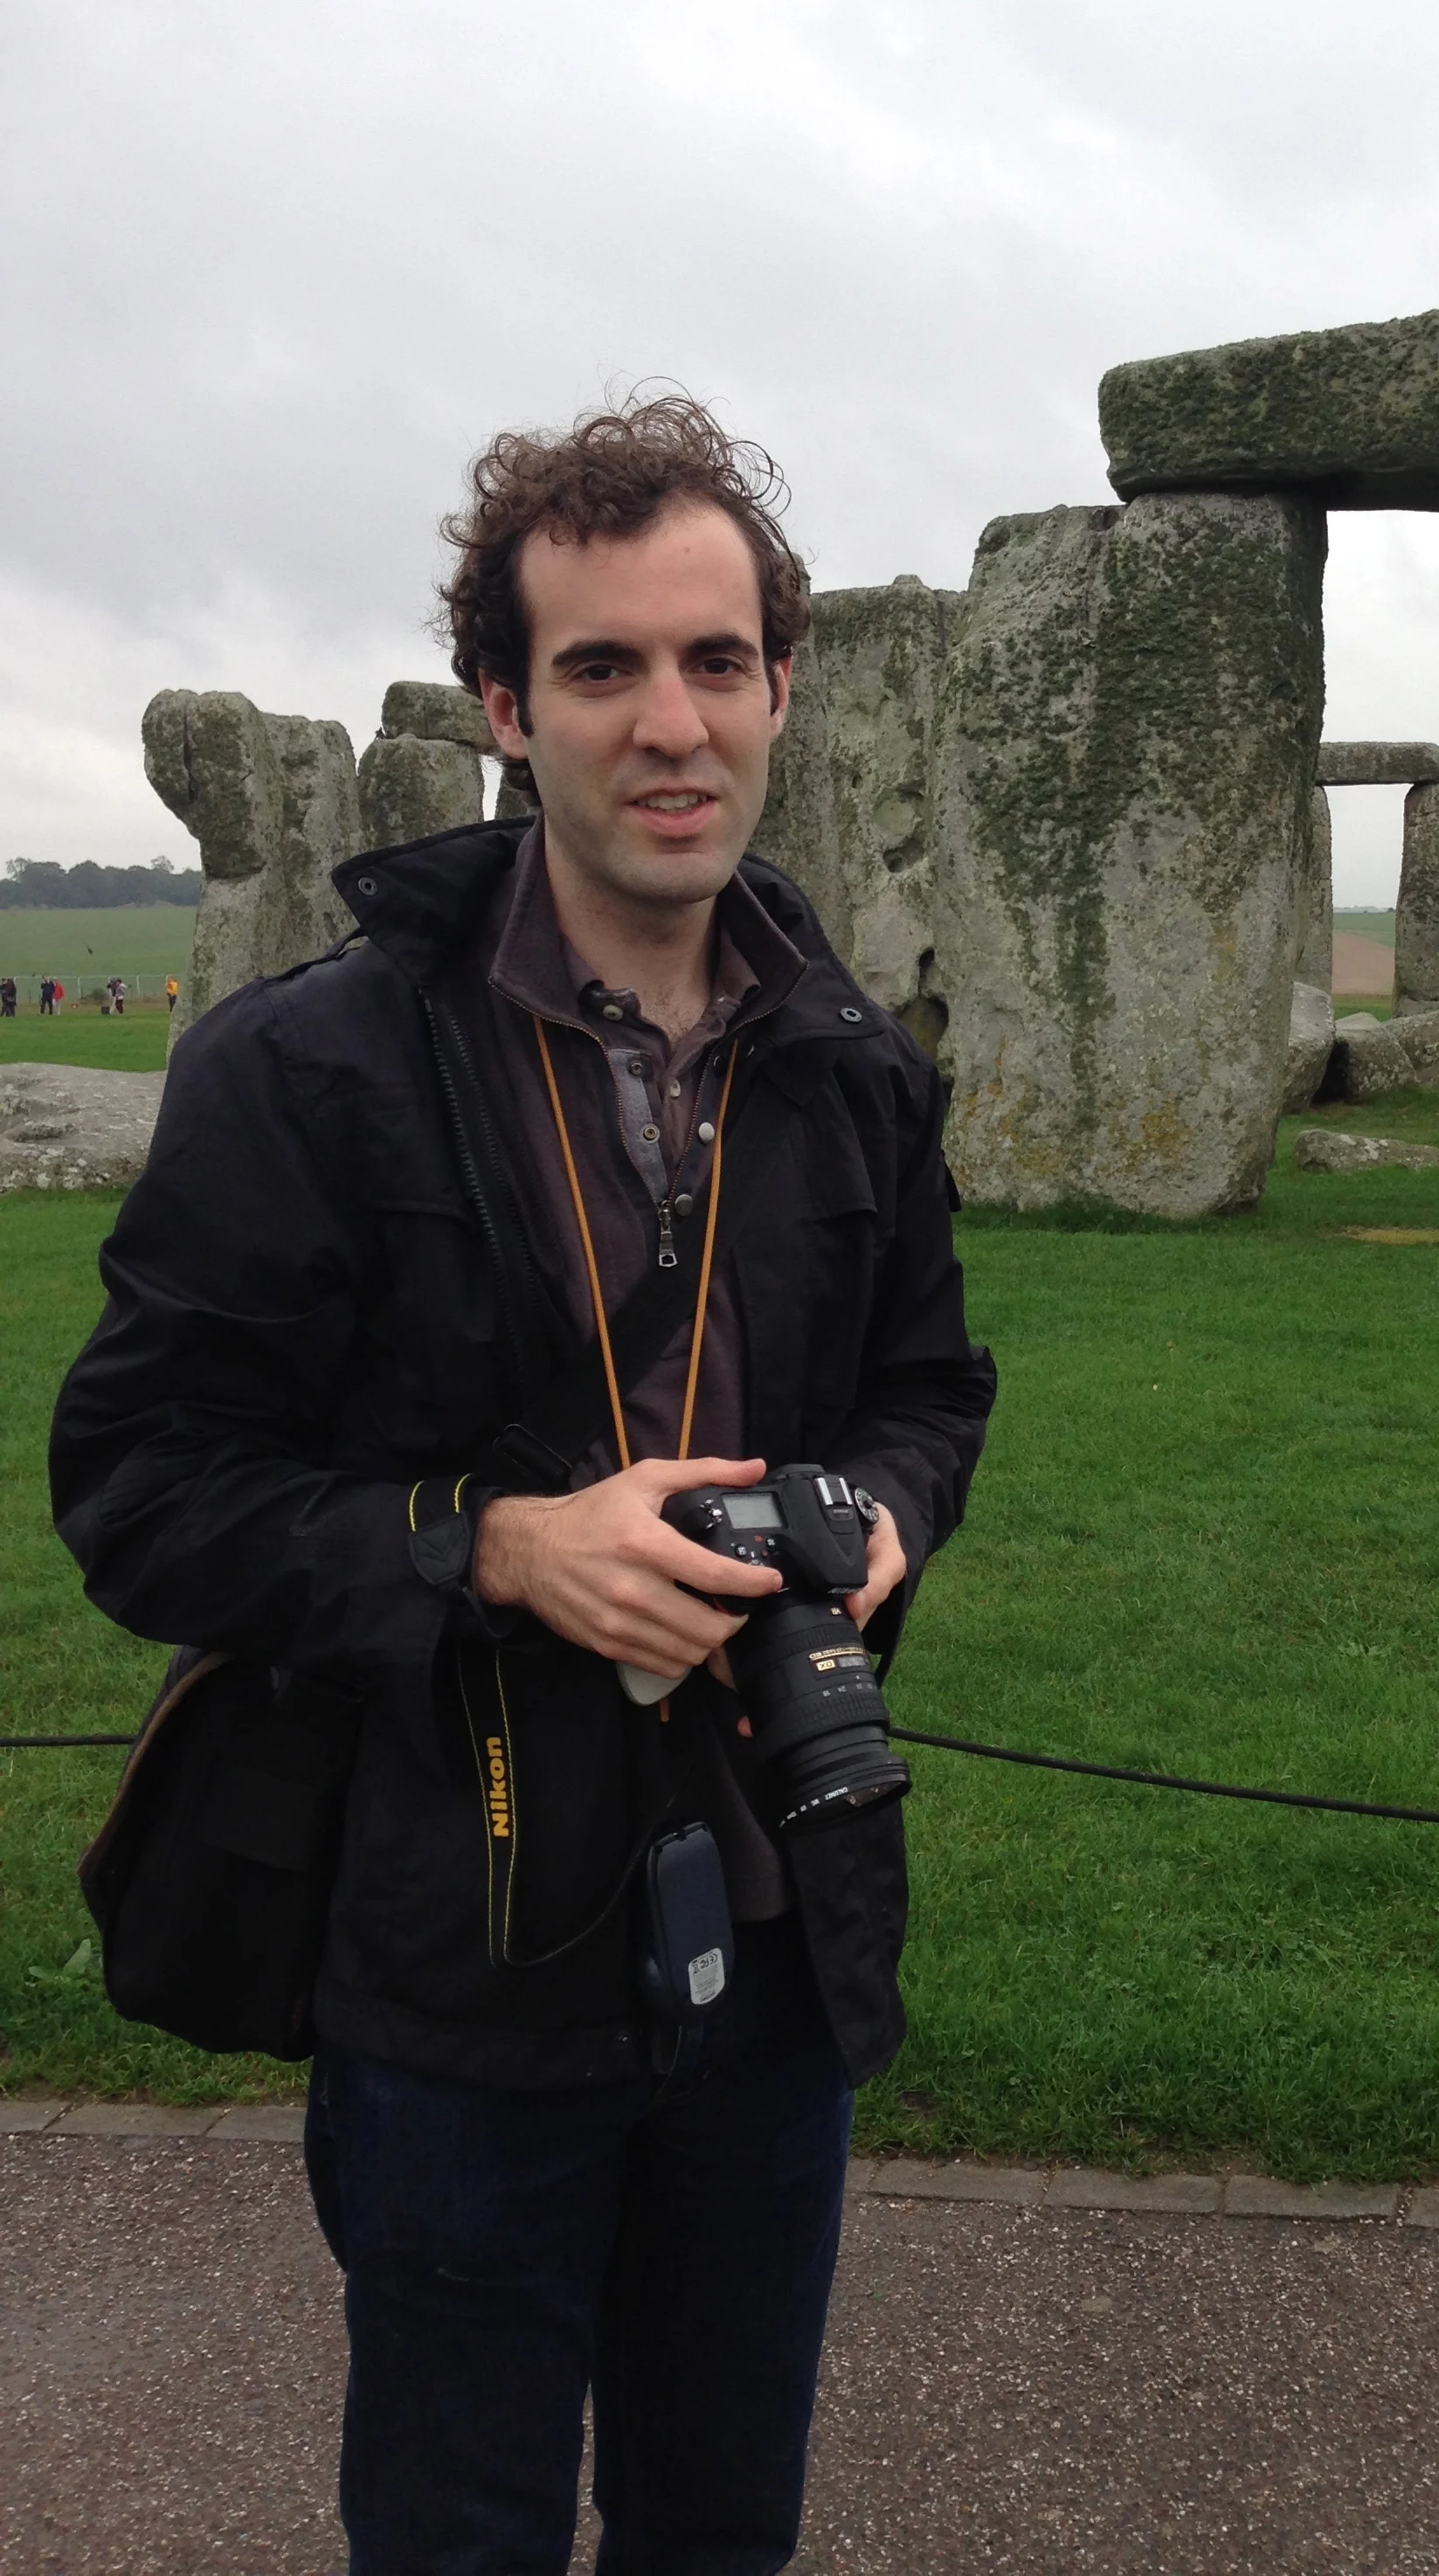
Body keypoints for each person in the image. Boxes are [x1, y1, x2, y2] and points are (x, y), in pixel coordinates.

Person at [51, 395, 996, 2575]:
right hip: (459, 1941)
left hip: (773, 1920)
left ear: (783, 684)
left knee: (718, 2523)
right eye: (603, 670)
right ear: (506, 704)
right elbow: (138, 1484)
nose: (671, 726)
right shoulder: (309, 1070)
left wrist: (884, 1515)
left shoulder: (856, 1072)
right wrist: (489, 1547)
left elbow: (936, 1386)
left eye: (717, 662)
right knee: (459, 2529)